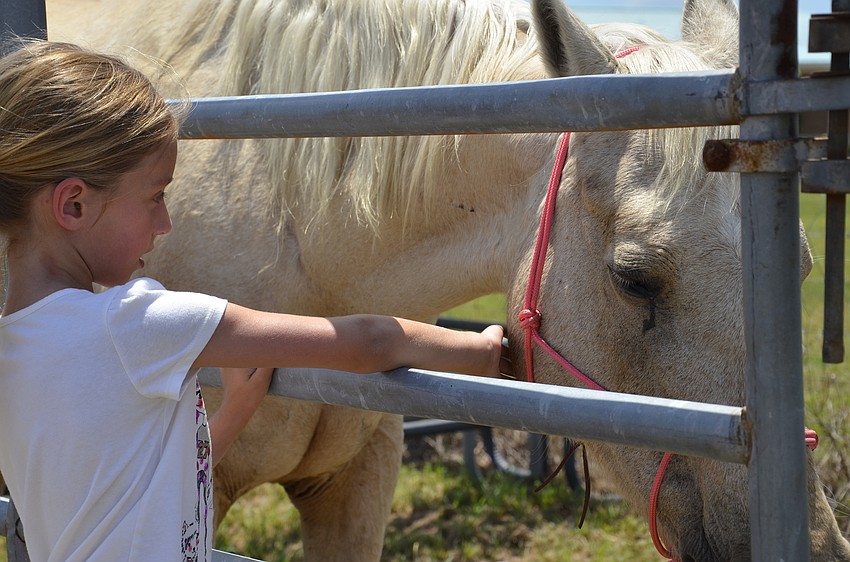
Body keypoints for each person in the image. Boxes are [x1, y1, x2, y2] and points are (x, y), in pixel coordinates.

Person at [0, 41, 507, 562]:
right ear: (74, 204)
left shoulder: (12, 348)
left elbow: (138, 492)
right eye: (155, 196)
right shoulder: (135, 324)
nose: (165, 223)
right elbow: (365, 342)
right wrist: (483, 351)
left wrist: (237, 410)